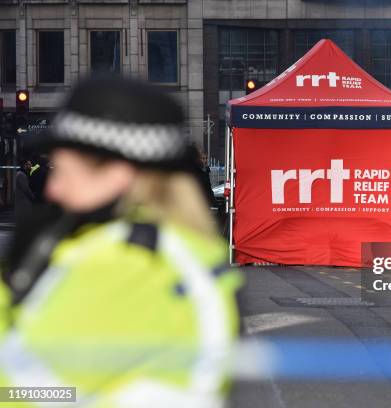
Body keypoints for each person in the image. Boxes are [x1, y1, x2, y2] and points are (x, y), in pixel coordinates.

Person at [0, 78, 242, 407]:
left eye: (66, 172)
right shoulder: (165, 252)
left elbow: (39, 392)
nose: (54, 189)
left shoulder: (127, 263)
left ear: (118, 175)